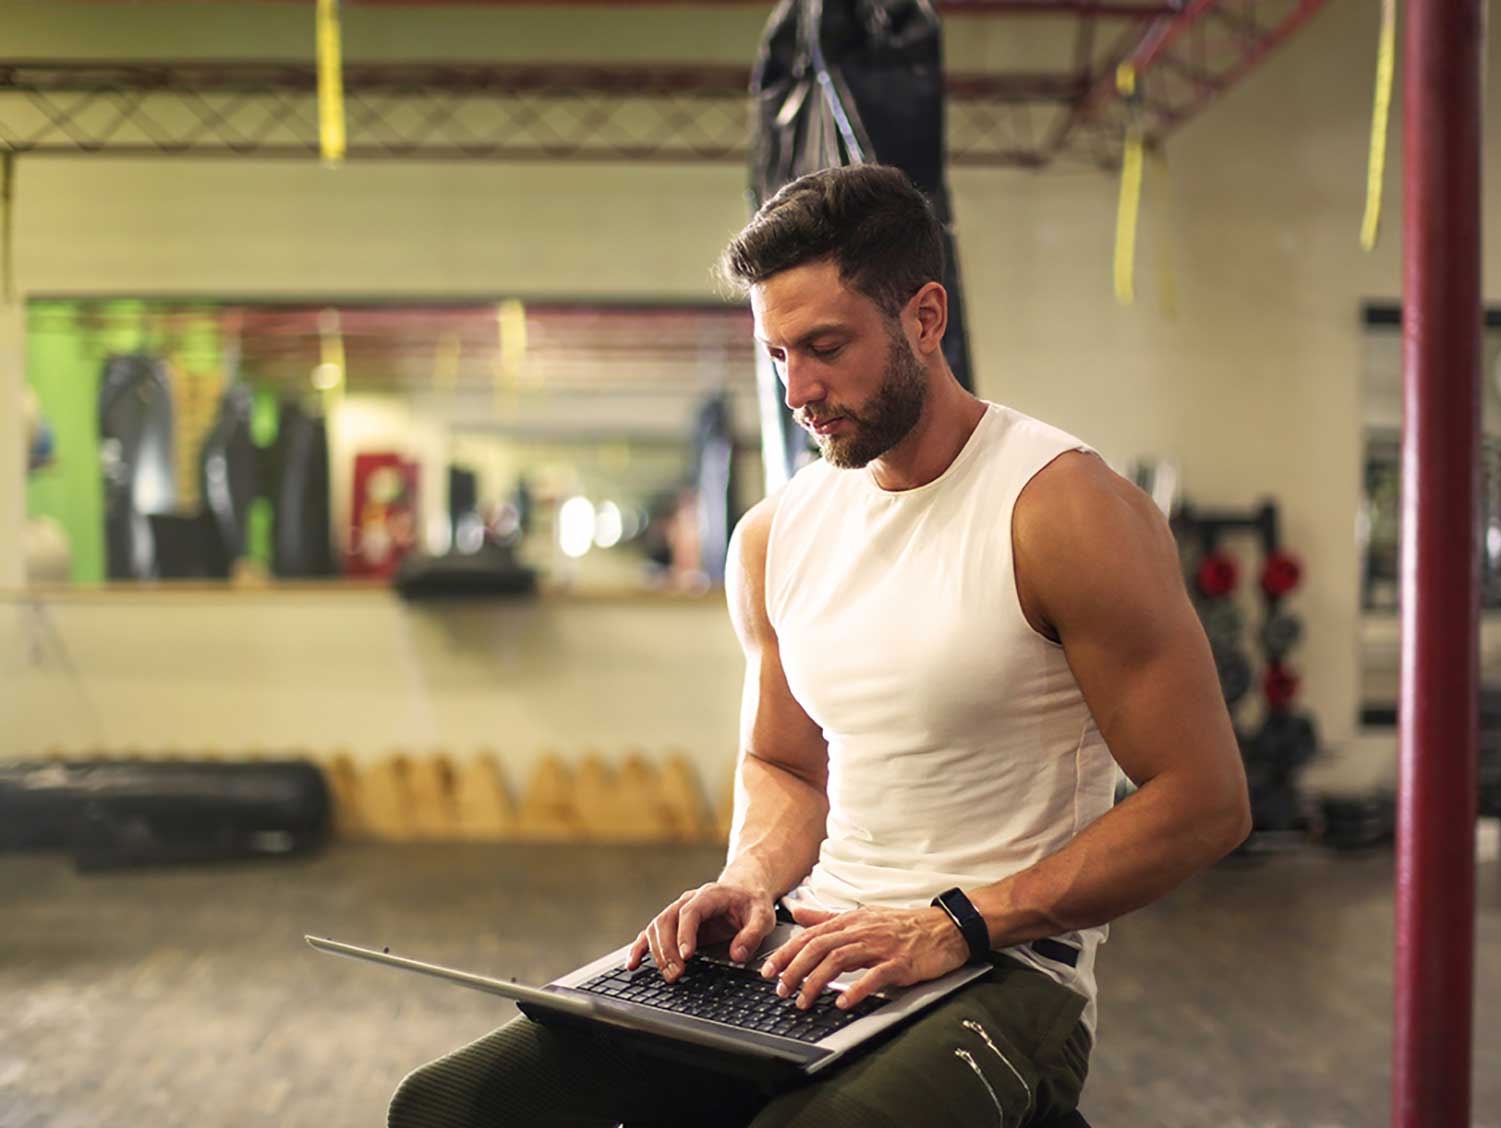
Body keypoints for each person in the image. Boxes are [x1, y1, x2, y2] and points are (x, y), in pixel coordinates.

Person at [388, 164, 1250, 1127]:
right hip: (806, 946)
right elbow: (783, 765)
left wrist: (953, 925)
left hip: (1004, 972)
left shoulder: (1061, 510)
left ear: (925, 317)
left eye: (826, 347)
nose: (799, 389)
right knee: (451, 1108)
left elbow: (1205, 803)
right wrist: (746, 880)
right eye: (777, 355)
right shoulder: (775, 534)